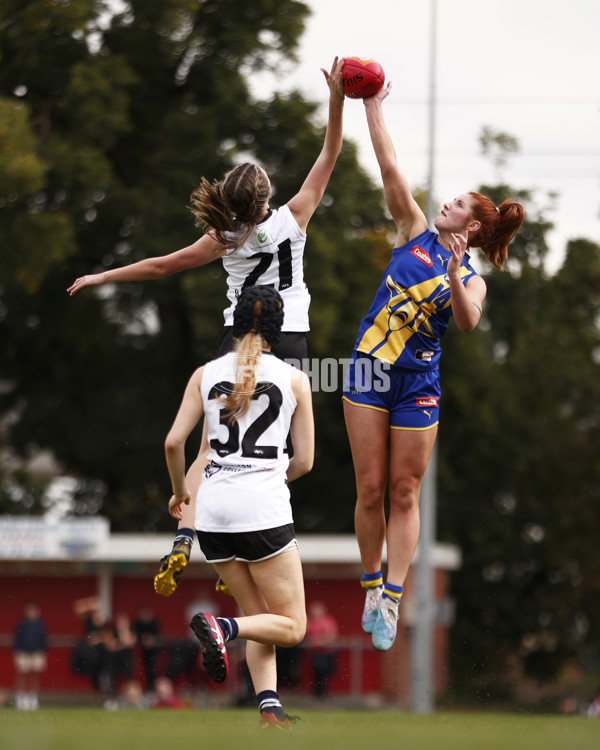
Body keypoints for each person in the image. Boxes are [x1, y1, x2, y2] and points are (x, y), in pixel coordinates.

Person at [67, 57, 345, 597]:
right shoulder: (295, 217)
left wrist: (103, 275)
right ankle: (251, 525)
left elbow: (161, 265)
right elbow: (330, 151)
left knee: (207, 450)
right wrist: (336, 98)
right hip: (287, 338)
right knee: (285, 446)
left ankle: (185, 533)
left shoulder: (223, 238)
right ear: (266, 198)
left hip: (235, 337)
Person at [342, 82, 525, 653]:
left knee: (403, 492)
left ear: (470, 228)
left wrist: (450, 273)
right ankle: (371, 586)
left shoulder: (472, 280)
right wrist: (372, 106)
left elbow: (468, 322)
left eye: (457, 205)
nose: (445, 204)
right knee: (369, 488)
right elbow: (390, 166)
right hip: (369, 372)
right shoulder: (412, 231)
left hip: (417, 385)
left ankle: (393, 598)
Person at [164, 285, 314, 729]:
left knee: (258, 618)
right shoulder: (295, 379)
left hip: (212, 515)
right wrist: (267, 478)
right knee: (292, 627)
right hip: (262, 513)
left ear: (234, 323)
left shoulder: (203, 373)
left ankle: (270, 708)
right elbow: (304, 462)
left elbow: (174, 443)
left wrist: (179, 493)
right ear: (277, 329)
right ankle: (221, 628)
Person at [13, 602, 48, 710]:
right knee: (22, 675)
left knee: (34, 675)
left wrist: (43, 652)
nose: (32, 613)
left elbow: (44, 640)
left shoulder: (41, 624)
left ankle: (33, 698)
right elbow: (17, 639)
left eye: (34, 611)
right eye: (30, 611)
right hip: (23, 653)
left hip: (37, 653)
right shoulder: (22, 624)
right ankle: (21, 697)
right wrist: (17, 652)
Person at [305, 600, 339, 697]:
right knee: (316, 675)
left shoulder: (328, 621)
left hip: (327, 653)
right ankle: (317, 696)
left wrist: (317, 641)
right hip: (315, 654)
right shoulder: (310, 621)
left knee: (325, 675)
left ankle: (324, 696)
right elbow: (305, 636)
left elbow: (331, 636)